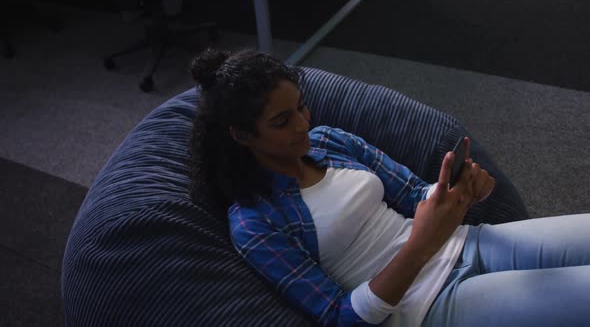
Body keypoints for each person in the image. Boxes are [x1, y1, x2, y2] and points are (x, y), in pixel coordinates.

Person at [189, 48, 590, 327]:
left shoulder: (330, 140)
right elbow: (338, 316)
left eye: (301, 107)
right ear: (242, 135)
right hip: (429, 304)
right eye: (281, 122)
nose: (302, 125)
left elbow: (416, 194)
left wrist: (462, 192)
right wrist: (420, 246)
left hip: (468, 243)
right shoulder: (254, 222)